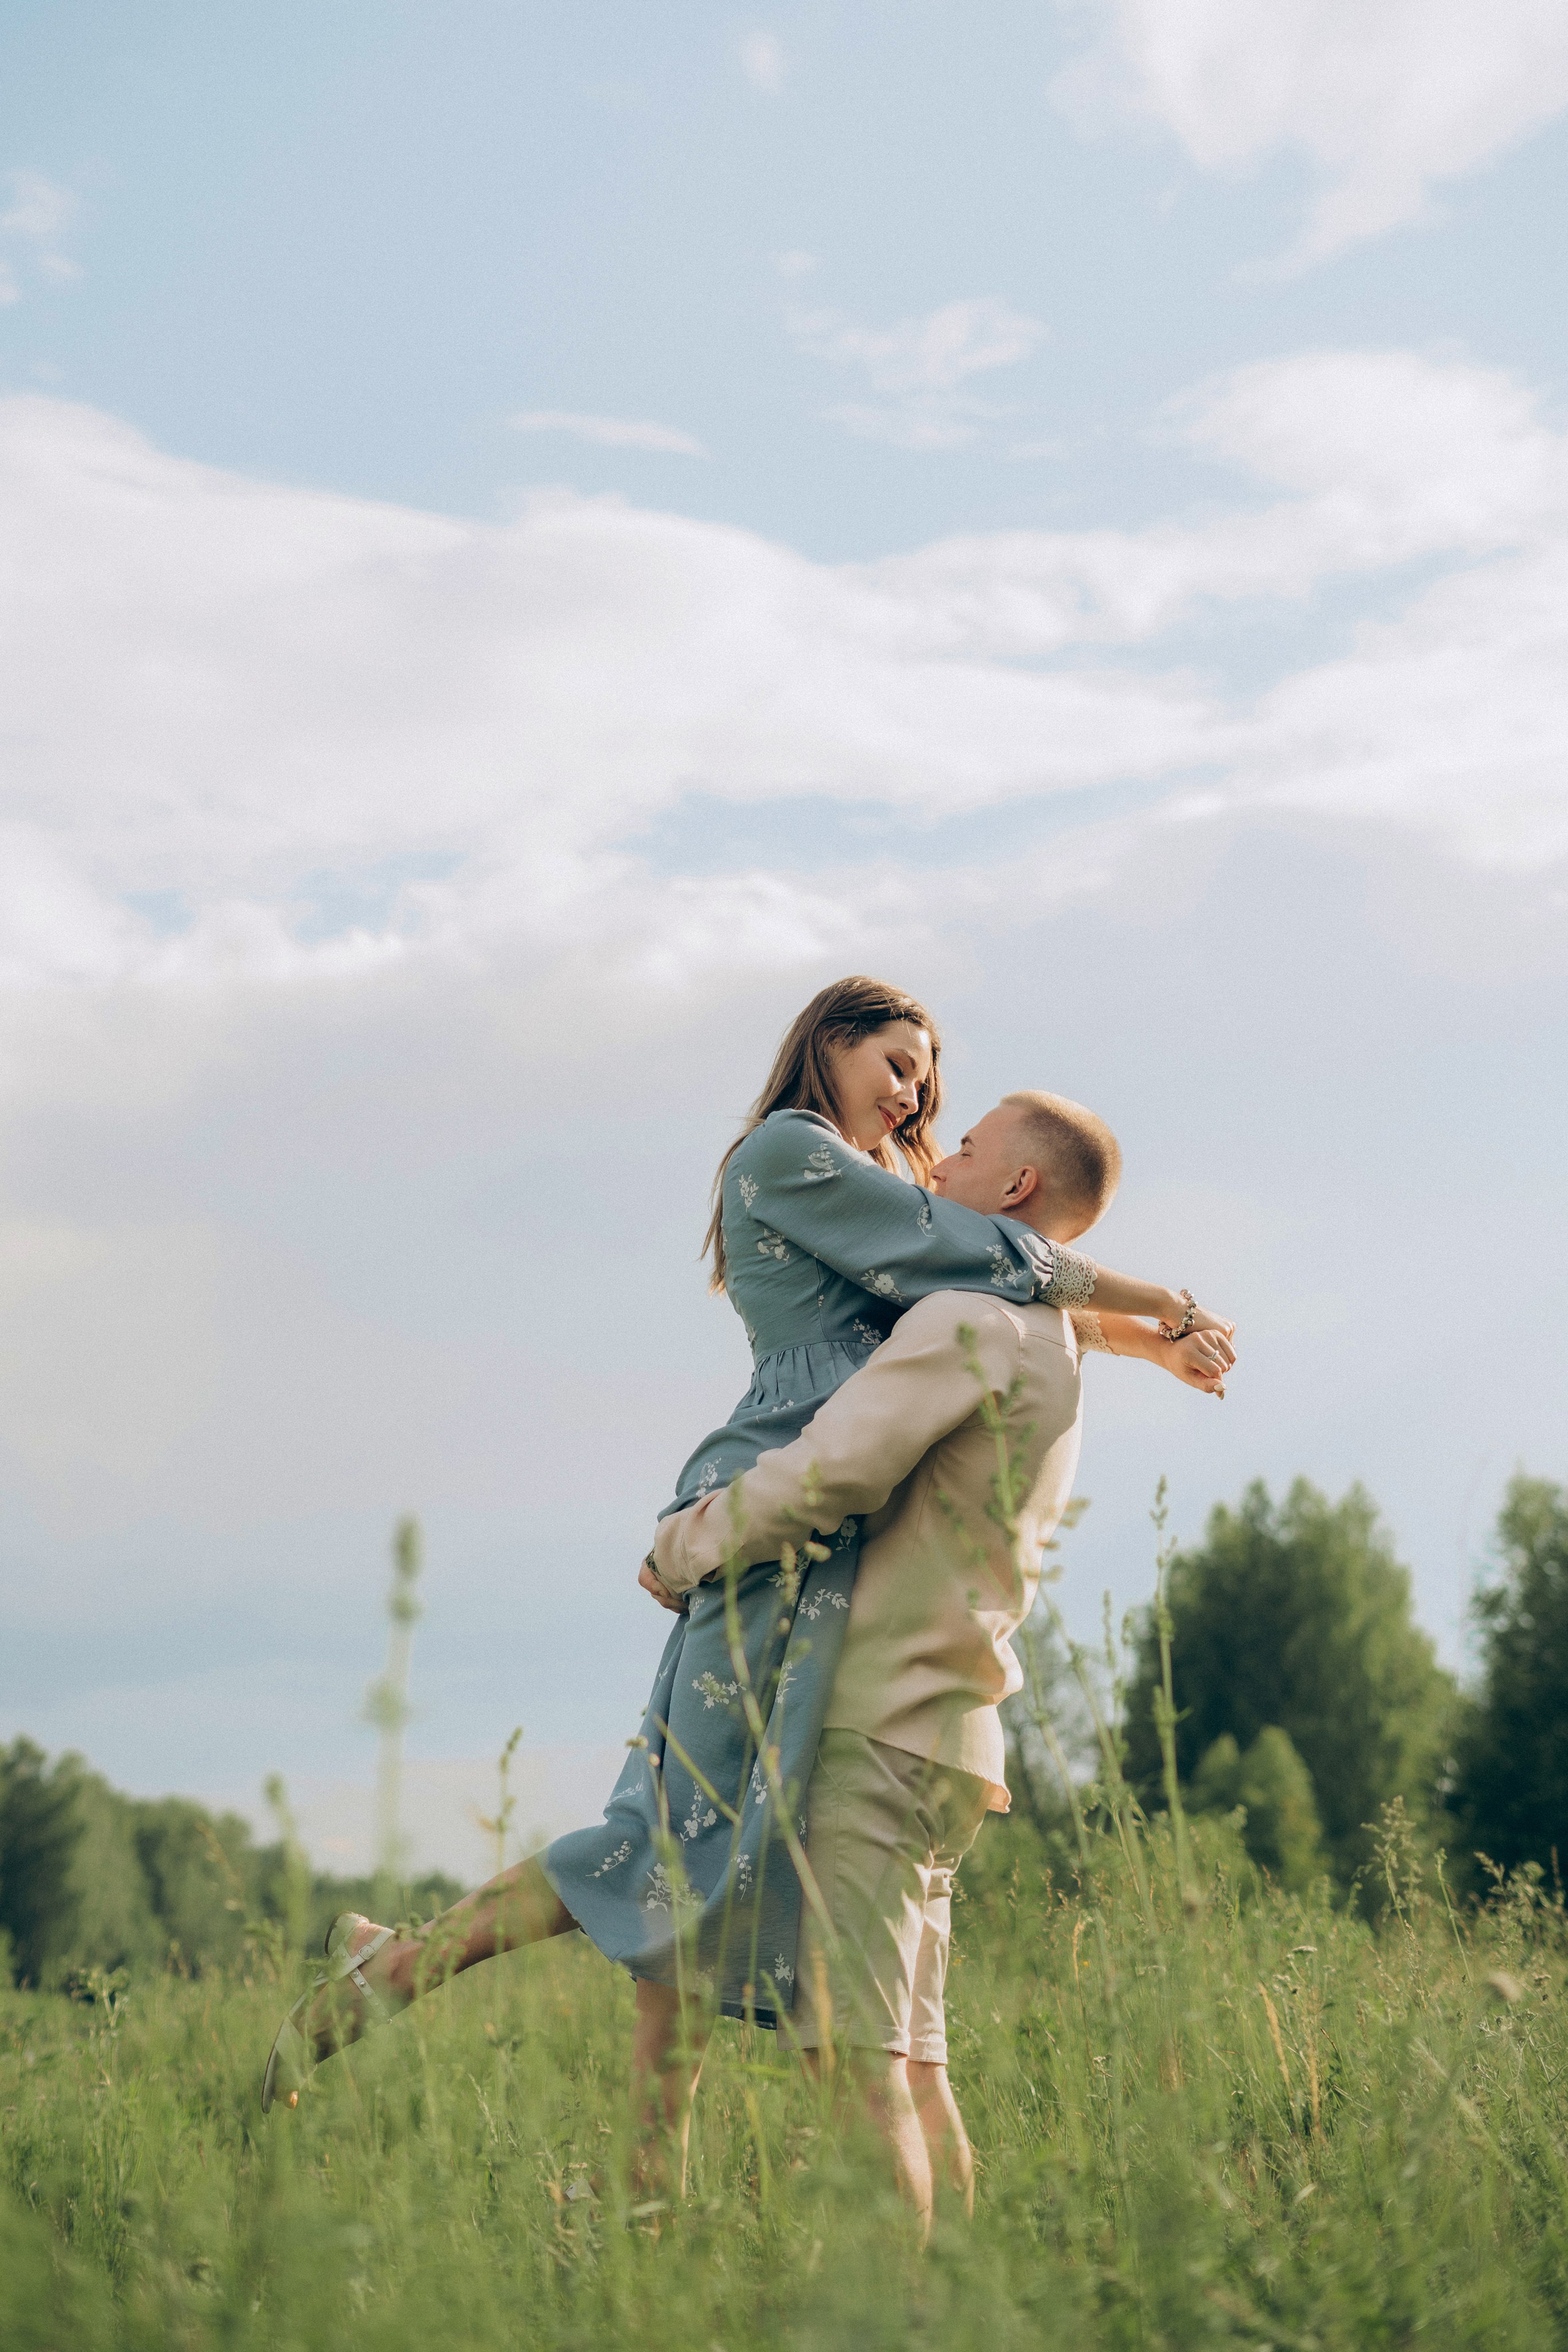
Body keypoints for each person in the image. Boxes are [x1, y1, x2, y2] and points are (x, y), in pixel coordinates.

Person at [261, 981, 1228, 2134]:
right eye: (899, 1062)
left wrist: (1148, 1347)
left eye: (930, 1078)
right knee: (667, 1832)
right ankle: (402, 1983)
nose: (918, 1094)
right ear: (830, 1043)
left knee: (698, 1843)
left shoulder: (886, 1191)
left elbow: (991, 1287)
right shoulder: (790, 1152)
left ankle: (630, 2178)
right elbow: (982, 1252)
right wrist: (1157, 1302)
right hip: (776, 1498)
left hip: (827, 1522)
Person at [633, 1088, 1232, 2230]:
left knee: (855, 2076)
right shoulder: (1051, 1340)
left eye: (962, 1148)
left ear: (1015, 1192)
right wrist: (1157, 1334)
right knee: (915, 2074)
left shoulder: (967, 1325)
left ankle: (901, 2320)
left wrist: (687, 1543)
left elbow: (832, 1472)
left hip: (874, 1735)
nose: (934, 1163)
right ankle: (960, 2303)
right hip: (956, 1740)